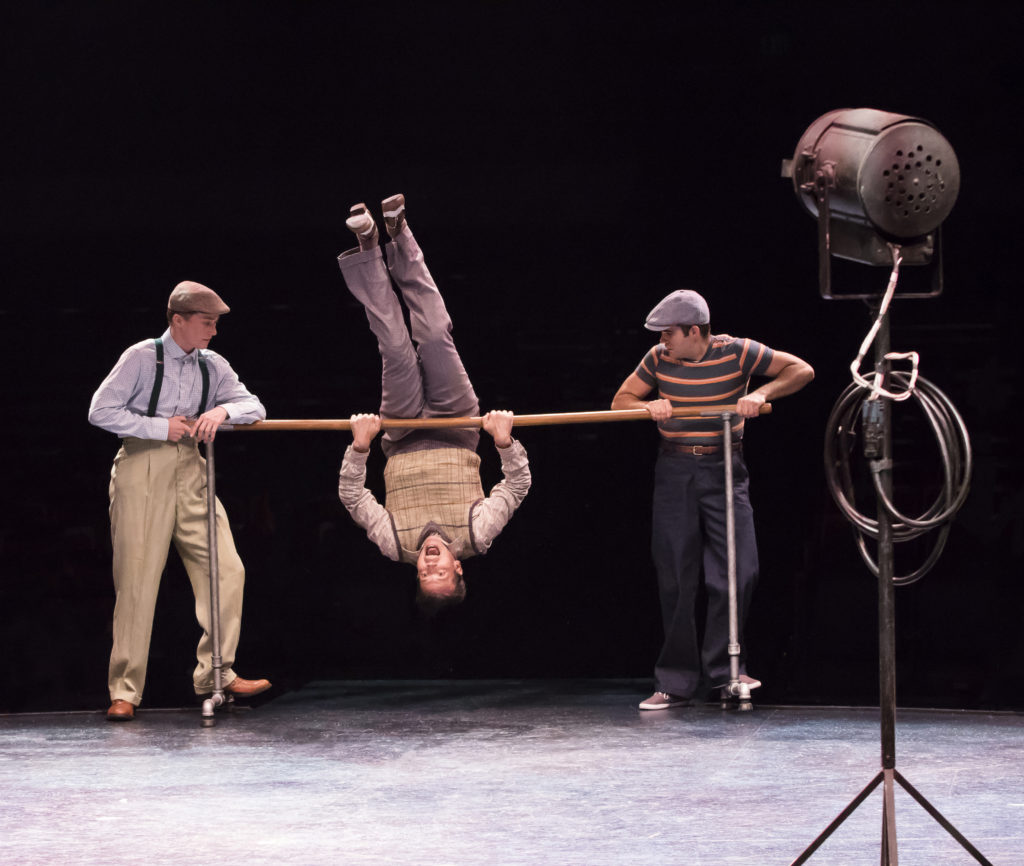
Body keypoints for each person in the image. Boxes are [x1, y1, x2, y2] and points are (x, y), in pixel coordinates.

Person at [612, 289, 813, 710]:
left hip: (725, 467)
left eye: (669, 334)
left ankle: (726, 673)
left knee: (739, 569)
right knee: (676, 574)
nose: (663, 341)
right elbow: (621, 401)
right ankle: (675, 681)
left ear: (694, 330)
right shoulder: (657, 359)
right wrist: (649, 407)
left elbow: (802, 370)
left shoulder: (737, 353)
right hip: (676, 469)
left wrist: (761, 395)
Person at [336, 194, 531, 610]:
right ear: (459, 568)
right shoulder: (479, 535)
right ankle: (399, 234)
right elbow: (517, 485)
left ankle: (370, 247)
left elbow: (353, 497)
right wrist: (503, 441)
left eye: (425, 576)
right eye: (440, 573)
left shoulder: (394, 546)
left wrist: (359, 447)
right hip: (457, 426)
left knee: (394, 345)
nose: (429, 566)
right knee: (436, 334)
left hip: (402, 433)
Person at [88, 282, 271, 721]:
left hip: (192, 470)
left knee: (227, 568)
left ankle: (217, 673)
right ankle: (125, 690)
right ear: (179, 320)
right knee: (137, 580)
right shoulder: (141, 357)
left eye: (215, 324)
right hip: (142, 466)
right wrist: (158, 428)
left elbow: (254, 405)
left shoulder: (213, 364)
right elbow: (100, 410)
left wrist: (222, 411)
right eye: (207, 323)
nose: (213, 332)